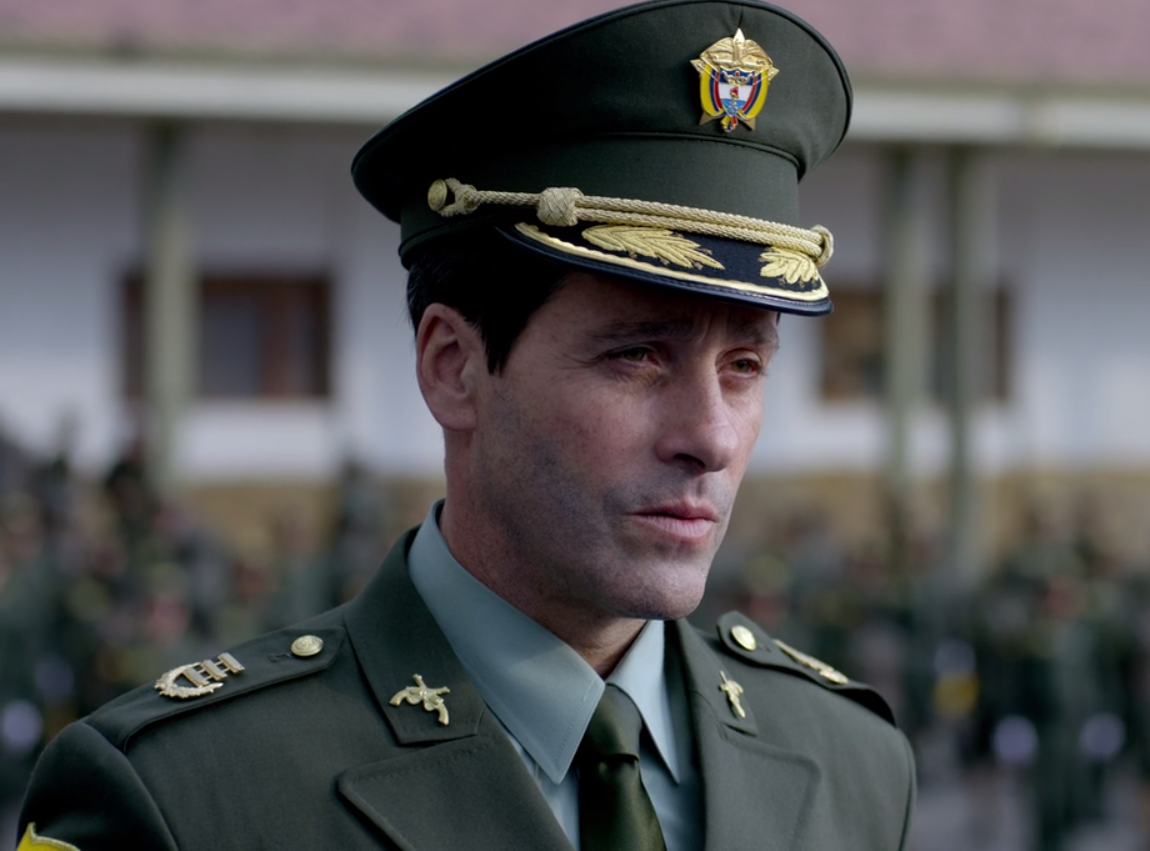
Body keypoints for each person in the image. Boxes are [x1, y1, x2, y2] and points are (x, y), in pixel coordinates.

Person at [17, 0, 915, 848]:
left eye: (745, 366)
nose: (711, 437)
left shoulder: (852, 764)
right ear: (453, 367)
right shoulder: (186, 795)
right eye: (638, 355)